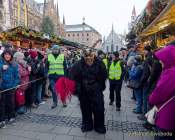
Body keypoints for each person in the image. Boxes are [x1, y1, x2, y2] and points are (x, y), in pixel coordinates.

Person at [70, 49, 107, 134]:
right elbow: (72, 76)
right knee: (85, 109)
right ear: (84, 57)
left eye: (91, 57)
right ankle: (87, 125)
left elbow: (104, 75)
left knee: (99, 109)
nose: (89, 59)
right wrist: (78, 87)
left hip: (96, 90)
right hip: (84, 91)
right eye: (87, 57)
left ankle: (99, 126)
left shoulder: (99, 63)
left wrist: (98, 86)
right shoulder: (78, 64)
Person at [149, 45, 175, 140]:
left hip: (166, 118)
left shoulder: (171, 73)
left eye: (162, 58)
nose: (160, 61)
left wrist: (150, 99)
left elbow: (159, 93)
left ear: (168, 59)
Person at [0, 49, 20, 128]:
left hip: (11, 87)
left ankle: (11, 117)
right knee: (2, 103)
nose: (7, 56)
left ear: (11, 56)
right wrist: (1, 68)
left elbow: (17, 77)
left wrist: (14, 85)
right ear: (3, 55)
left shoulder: (14, 64)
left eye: (9, 54)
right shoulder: (0, 63)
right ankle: (2, 119)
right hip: (2, 87)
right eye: (6, 54)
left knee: (11, 102)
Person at [47, 44, 67, 109]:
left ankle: (63, 101)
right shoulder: (49, 56)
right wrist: (45, 73)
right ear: (52, 50)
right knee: (53, 90)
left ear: (58, 50)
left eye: (56, 49)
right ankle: (55, 102)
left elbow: (65, 67)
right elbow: (46, 66)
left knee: (62, 90)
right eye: (54, 49)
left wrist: (65, 75)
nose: (55, 51)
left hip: (60, 76)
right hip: (52, 76)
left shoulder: (62, 56)